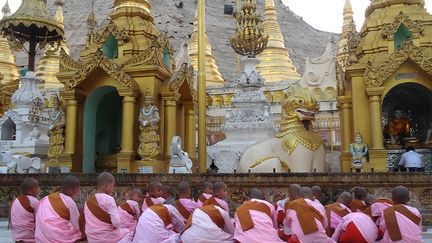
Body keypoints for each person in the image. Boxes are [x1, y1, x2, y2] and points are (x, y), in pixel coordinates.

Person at [84, 172, 132, 243]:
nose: (113, 188)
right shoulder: (108, 199)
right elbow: (116, 223)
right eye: (113, 185)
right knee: (129, 233)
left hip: (92, 238)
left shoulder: (87, 202)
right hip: (107, 238)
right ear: (107, 185)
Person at [35, 175, 83, 243]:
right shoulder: (69, 201)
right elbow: (77, 225)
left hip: (41, 239)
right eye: (77, 190)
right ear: (70, 190)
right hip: (59, 238)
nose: (78, 192)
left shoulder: (47, 198)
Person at [10, 177, 40, 242]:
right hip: (29, 236)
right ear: (29, 191)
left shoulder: (16, 200)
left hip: (17, 235)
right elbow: (38, 218)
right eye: (37, 188)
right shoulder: (34, 201)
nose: (39, 189)